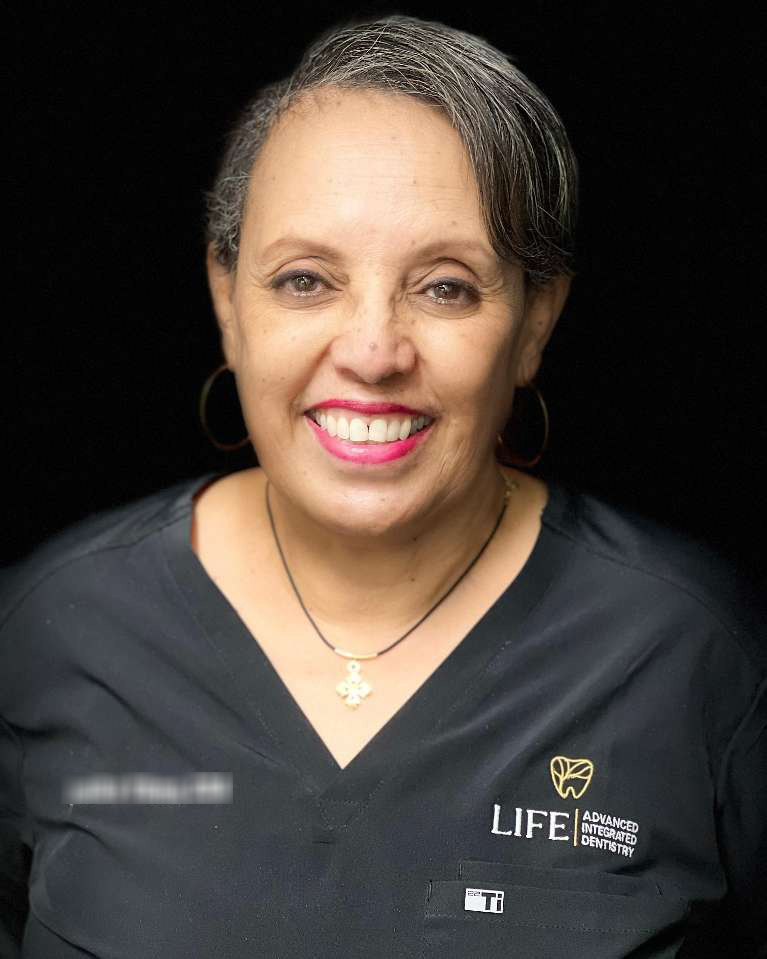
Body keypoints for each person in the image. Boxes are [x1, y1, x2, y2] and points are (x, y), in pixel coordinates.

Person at [1, 12, 765, 959]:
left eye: (444, 286)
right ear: (225, 301)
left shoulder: (696, 654)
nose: (371, 352)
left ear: (534, 323)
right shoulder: (50, 626)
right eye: (305, 280)